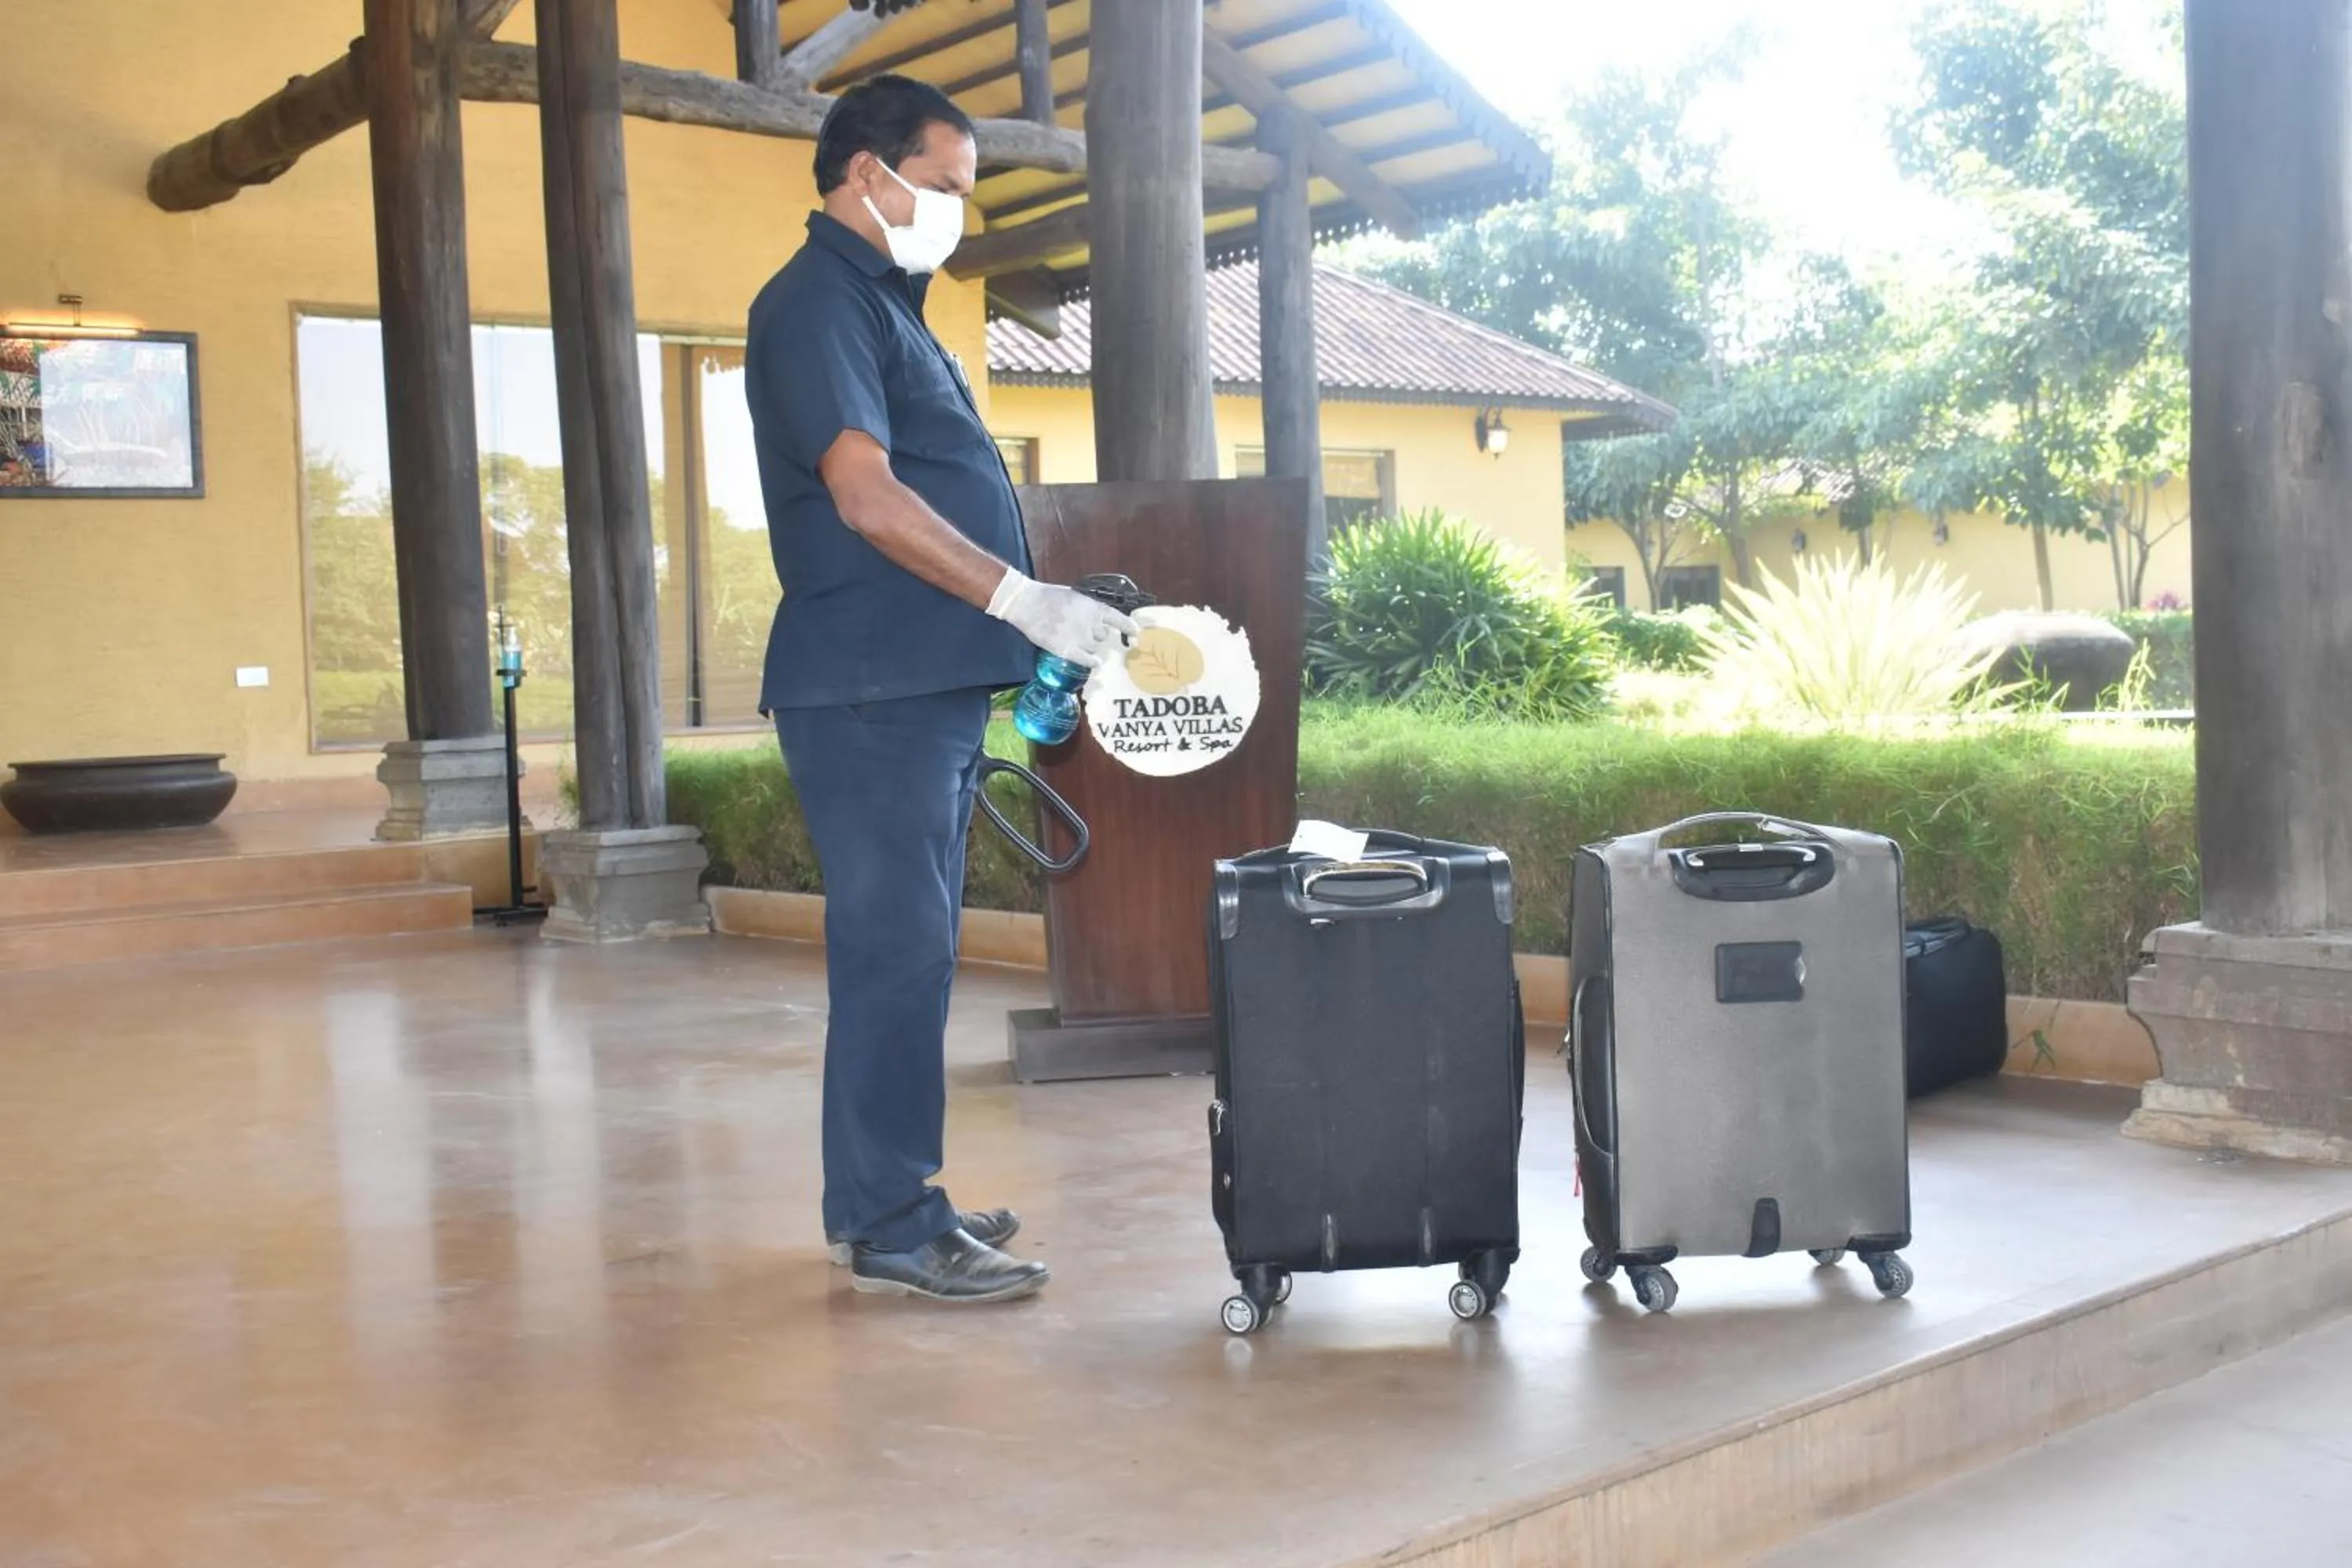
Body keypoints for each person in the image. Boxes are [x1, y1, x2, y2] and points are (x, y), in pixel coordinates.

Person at [745, 75, 1138, 1304]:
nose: (958, 213)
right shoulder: (817, 304)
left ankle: (894, 1194)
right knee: (895, 956)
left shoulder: (887, 306)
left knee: (913, 953)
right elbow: (866, 496)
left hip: (917, 688)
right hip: (867, 690)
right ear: (870, 173)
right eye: (948, 187)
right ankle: (891, 1227)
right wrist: (1018, 601)